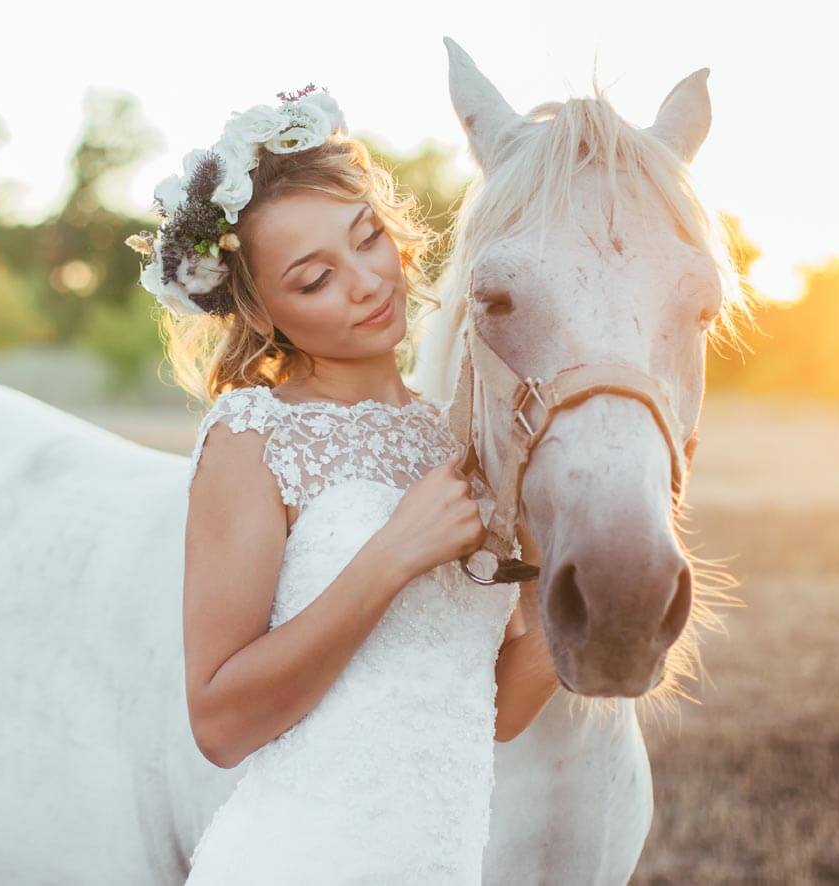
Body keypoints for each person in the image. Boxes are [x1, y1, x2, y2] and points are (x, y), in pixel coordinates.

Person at [127, 84, 558, 883]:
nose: (365, 281)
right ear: (263, 313)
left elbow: (489, 713)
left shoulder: (460, 438)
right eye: (314, 279)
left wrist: (562, 595)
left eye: (367, 239)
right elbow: (220, 723)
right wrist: (390, 556)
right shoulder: (255, 436)